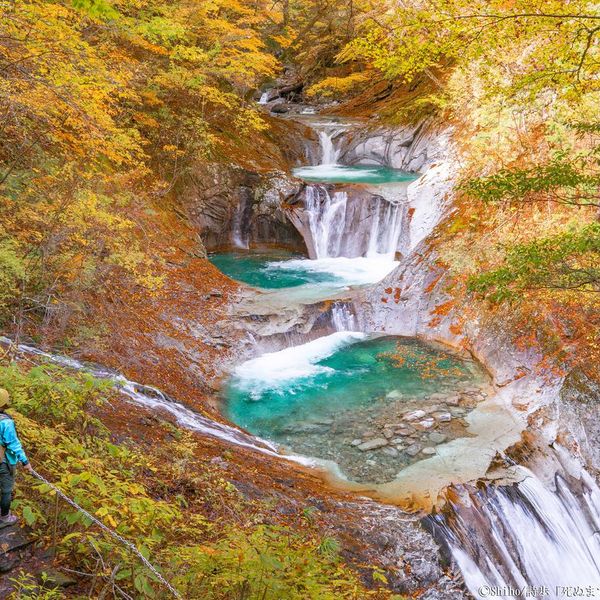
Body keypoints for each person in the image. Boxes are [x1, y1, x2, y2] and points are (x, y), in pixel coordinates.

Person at [0, 388, 32, 526]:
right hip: (3, 461)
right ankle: (5, 517)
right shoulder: (5, 422)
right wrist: (25, 461)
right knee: (6, 490)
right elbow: (13, 444)